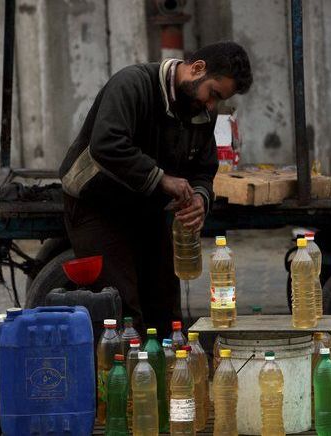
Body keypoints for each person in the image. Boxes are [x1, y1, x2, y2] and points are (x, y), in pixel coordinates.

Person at [59, 42, 252, 337]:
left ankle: (167, 377)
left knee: (165, 311)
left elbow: (203, 167)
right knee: (122, 310)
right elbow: (107, 143)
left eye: (219, 100)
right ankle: (124, 376)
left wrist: (200, 197)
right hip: (97, 204)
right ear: (197, 68)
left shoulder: (203, 111)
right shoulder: (132, 84)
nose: (212, 106)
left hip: (146, 206)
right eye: (213, 94)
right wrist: (161, 179)